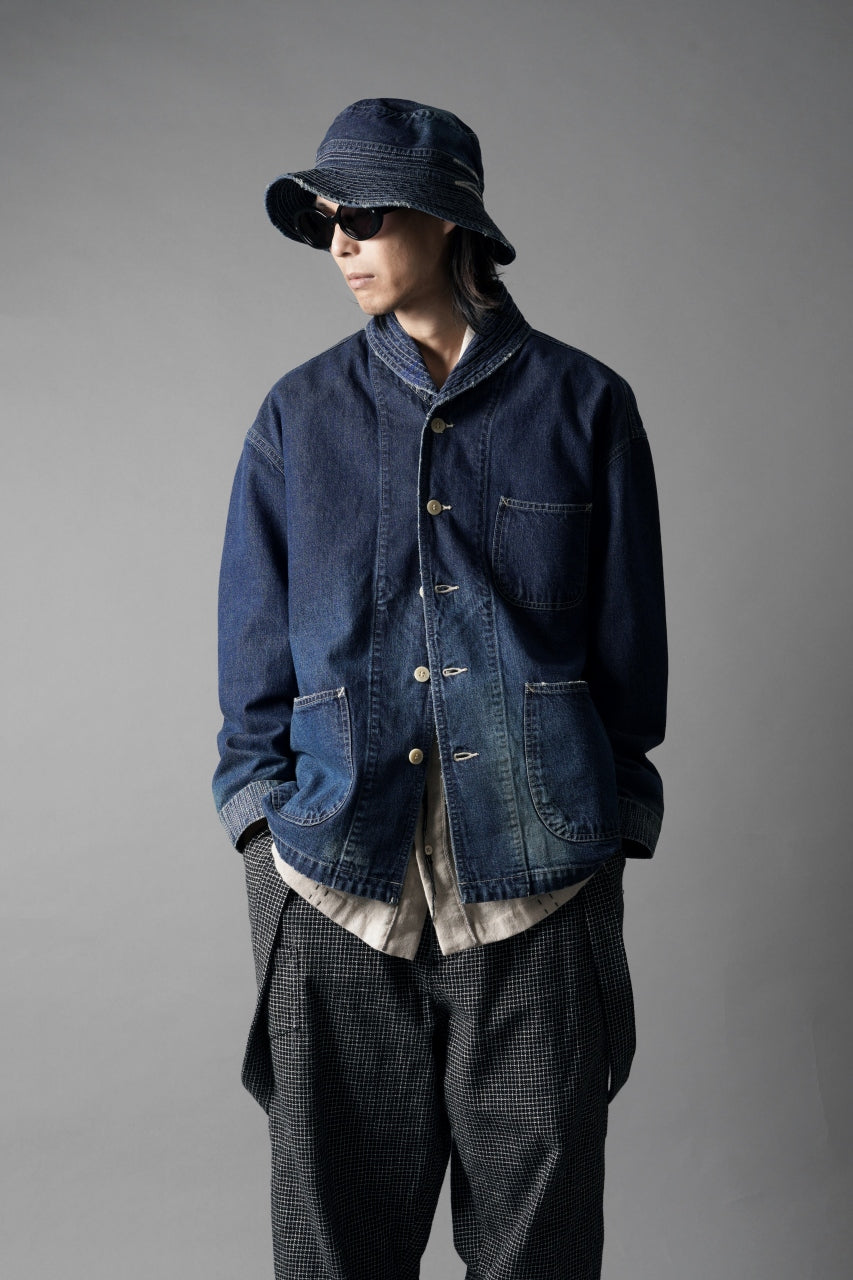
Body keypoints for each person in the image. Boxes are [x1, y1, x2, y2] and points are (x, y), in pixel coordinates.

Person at [213, 97, 667, 1280]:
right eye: (327, 219)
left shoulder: (585, 405)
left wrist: (603, 841)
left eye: (363, 214)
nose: (340, 242)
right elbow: (251, 682)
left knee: (537, 1251)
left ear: (446, 218)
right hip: (333, 884)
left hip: (539, 888)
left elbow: (631, 668)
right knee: (333, 1253)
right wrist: (266, 846)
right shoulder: (297, 415)